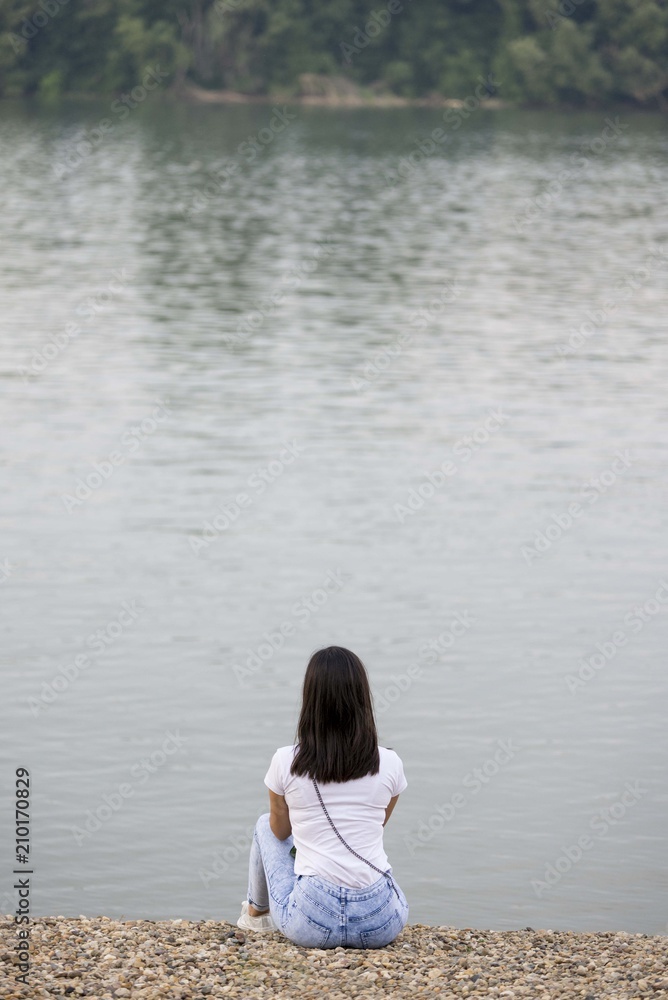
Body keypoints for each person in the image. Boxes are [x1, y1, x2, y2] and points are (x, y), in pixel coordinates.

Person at [237, 645, 409, 948]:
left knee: (265, 825)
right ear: (362, 698)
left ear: (311, 699)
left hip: (311, 923)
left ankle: (256, 914)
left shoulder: (285, 761)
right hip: (380, 922)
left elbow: (280, 832)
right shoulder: (390, 763)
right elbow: (375, 825)